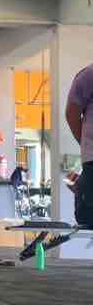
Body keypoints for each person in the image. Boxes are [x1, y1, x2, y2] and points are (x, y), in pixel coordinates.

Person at [66, 65, 93, 227]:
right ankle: (82, 189)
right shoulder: (88, 75)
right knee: (87, 217)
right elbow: (72, 113)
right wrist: (86, 144)